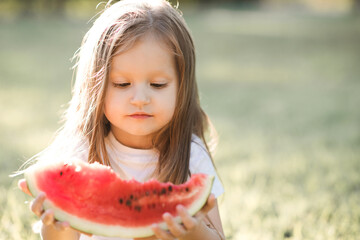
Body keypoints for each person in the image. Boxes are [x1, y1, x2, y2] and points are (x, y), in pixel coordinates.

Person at [18, 0, 225, 239]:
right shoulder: (81, 151)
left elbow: (218, 235)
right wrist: (54, 224)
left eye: (158, 85)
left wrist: (194, 230)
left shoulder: (192, 155)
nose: (139, 99)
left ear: (182, 87)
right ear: (96, 86)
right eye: (122, 84)